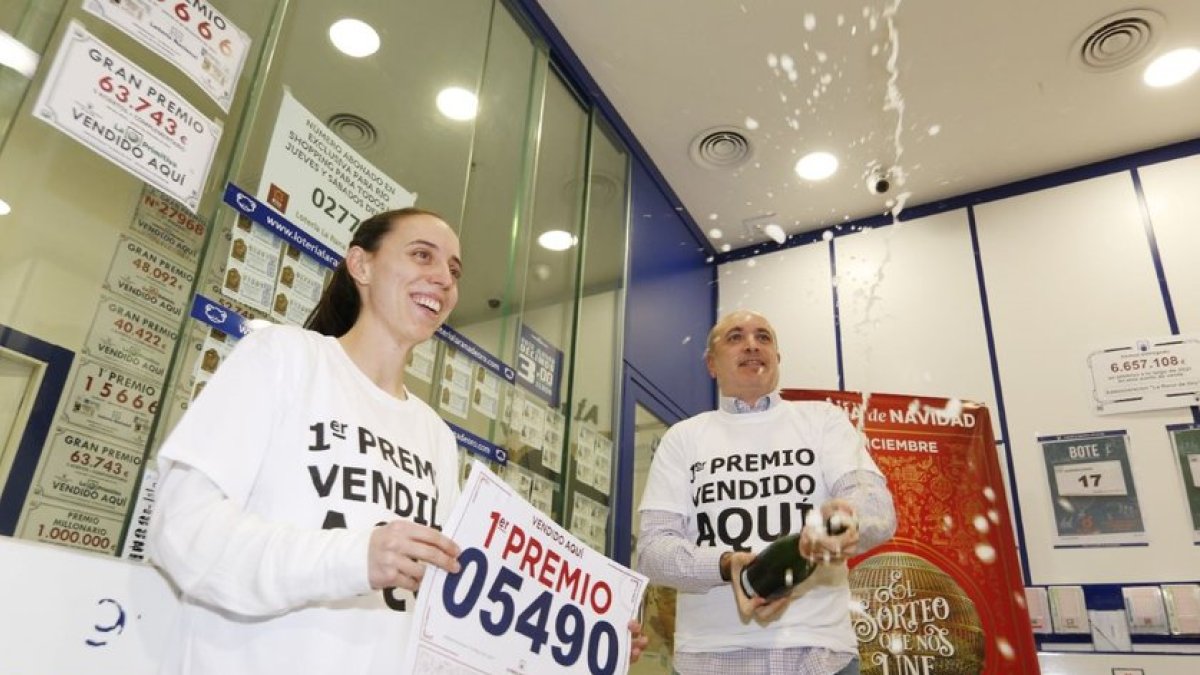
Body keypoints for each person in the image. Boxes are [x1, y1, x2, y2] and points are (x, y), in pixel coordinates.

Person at [149, 208, 645, 673]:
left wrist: (581, 639)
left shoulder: (434, 435)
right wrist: (354, 557)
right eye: (422, 255)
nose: (444, 279)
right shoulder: (283, 357)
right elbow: (184, 531)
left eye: (454, 269)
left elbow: (453, 595)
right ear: (361, 265)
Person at [636, 310, 897, 675]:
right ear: (712, 364)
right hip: (710, 659)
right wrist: (726, 565)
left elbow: (876, 507)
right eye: (735, 337)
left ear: (777, 358)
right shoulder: (683, 438)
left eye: (763, 337)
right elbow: (652, 550)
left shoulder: (823, 421)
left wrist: (843, 521)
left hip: (821, 656)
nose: (751, 345)